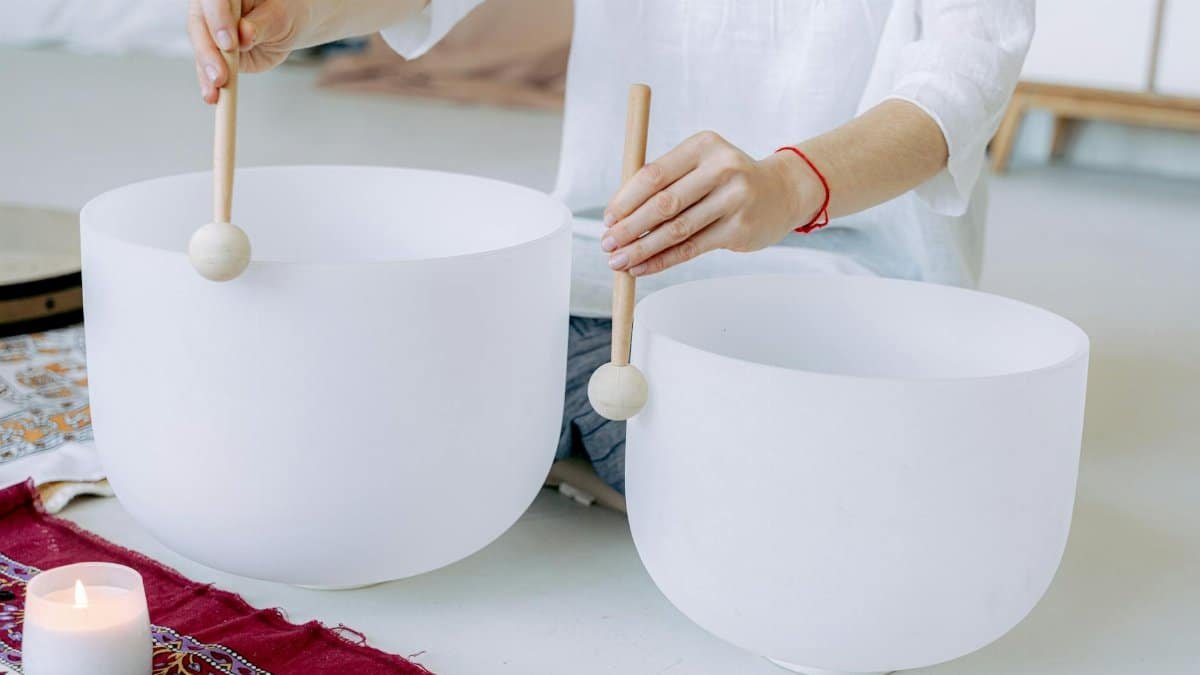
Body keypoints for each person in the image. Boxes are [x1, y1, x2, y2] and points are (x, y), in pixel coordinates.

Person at [189, 0, 1035, 500]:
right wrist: (301, 13)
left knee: (813, 489)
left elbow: (961, 87)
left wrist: (788, 186)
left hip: (845, 271)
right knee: (350, 390)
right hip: (607, 263)